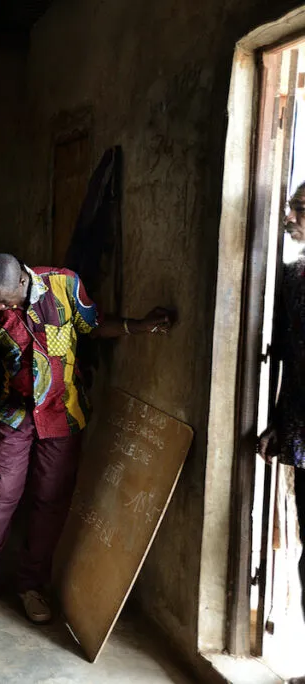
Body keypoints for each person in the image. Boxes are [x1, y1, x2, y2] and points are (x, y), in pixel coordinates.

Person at [0, 253, 173, 624]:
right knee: (1, 495)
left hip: (63, 414)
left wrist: (137, 327)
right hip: (14, 415)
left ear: (21, 282)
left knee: (50, 502)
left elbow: (94, 326)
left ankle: (32, 586)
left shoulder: (64, 285)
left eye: (5, 299)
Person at [259, 182, 305, 684]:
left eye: (300, 209)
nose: (290, 217)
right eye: (292, 207)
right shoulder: (293, 277)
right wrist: (278, 422)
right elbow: (291, 360)